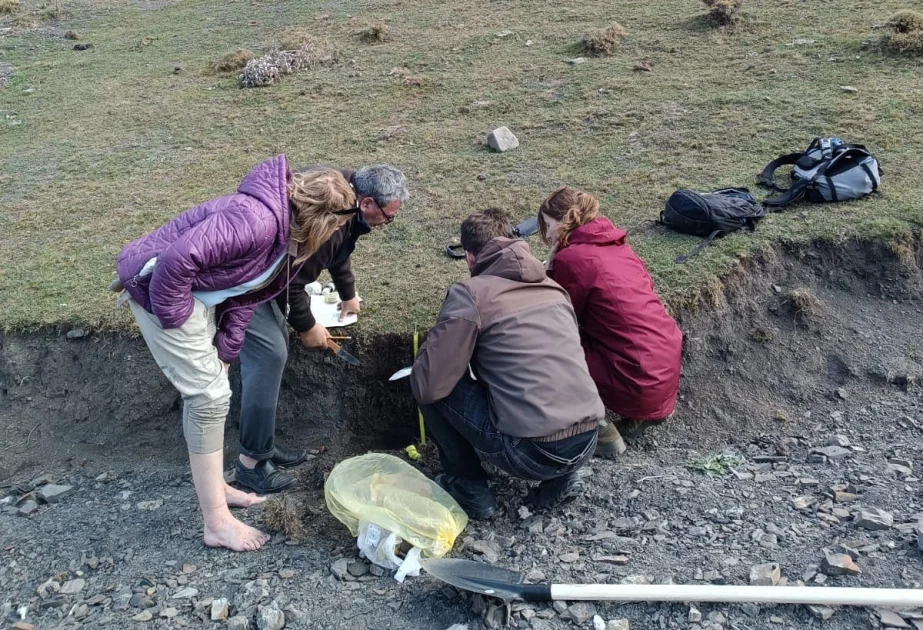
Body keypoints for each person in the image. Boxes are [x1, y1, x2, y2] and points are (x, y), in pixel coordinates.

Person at [113, 157, 356, 551]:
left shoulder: (287, 235)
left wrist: (227, 345)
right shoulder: (256, 221)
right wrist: (178, 322)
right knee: (209, 396)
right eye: (336, 227)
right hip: (160, 292)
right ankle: (216, 523)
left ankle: (218, 488)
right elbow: (176, 263)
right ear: (322, 219)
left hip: (194, 295)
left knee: (216, 384)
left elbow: (249, 290)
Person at [410, 209, 604, 519]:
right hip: (587, 441)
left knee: (431, 382)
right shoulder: (554, 289)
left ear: (470, 258)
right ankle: (559, 482)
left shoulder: (470, 295)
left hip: (530, 453)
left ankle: (470, 487)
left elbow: (429, 384)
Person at [233, 164, 409, 494]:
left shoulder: (348, 196)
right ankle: (251, 466)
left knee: (274, 348)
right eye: (388, 216)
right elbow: (291, 284)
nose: (388, 224)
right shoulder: (335, 216)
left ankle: (262, 448)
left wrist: (347, 294)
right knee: (270, 353)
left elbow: (339, 251)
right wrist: (308, 326)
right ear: (368, 202)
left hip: (266, 266)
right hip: (244, 272)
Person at [537, 186, 683, 458]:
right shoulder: (618, 246)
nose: (546, 234)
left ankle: (596, 428)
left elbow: (554, 315)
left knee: (546, 348)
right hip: (661, 366)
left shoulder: (572, 259)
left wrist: (547, 269)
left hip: (636, 376)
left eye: (548, 225)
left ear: (564, 220)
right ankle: (643, 412)